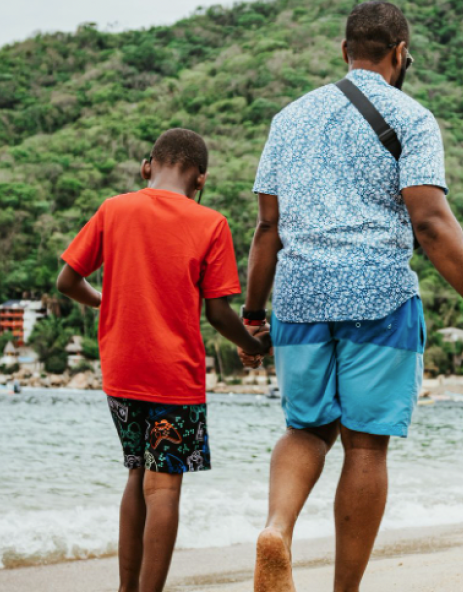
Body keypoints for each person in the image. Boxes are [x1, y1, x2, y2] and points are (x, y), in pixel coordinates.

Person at [241, 0, 463, 592]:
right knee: (366, 447)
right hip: (378, 295)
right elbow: (431, 224)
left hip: (298, 298)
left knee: (305, 430)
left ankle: (277, 529)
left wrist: (252, 312)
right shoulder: (413, 118)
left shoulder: (288, 119)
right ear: (400, 55)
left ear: (344, 51)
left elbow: (266, 229)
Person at [56, 128, 271, 592]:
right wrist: (255, 345)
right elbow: (217, 312)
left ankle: (126, 589)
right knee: (164, 486)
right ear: (201, 180)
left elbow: (67, 282)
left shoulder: (114, 209)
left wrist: (106, 300)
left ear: (146, 167)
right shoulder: (209, 223)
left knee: (136, 471)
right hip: (174, 374)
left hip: (120, 368)